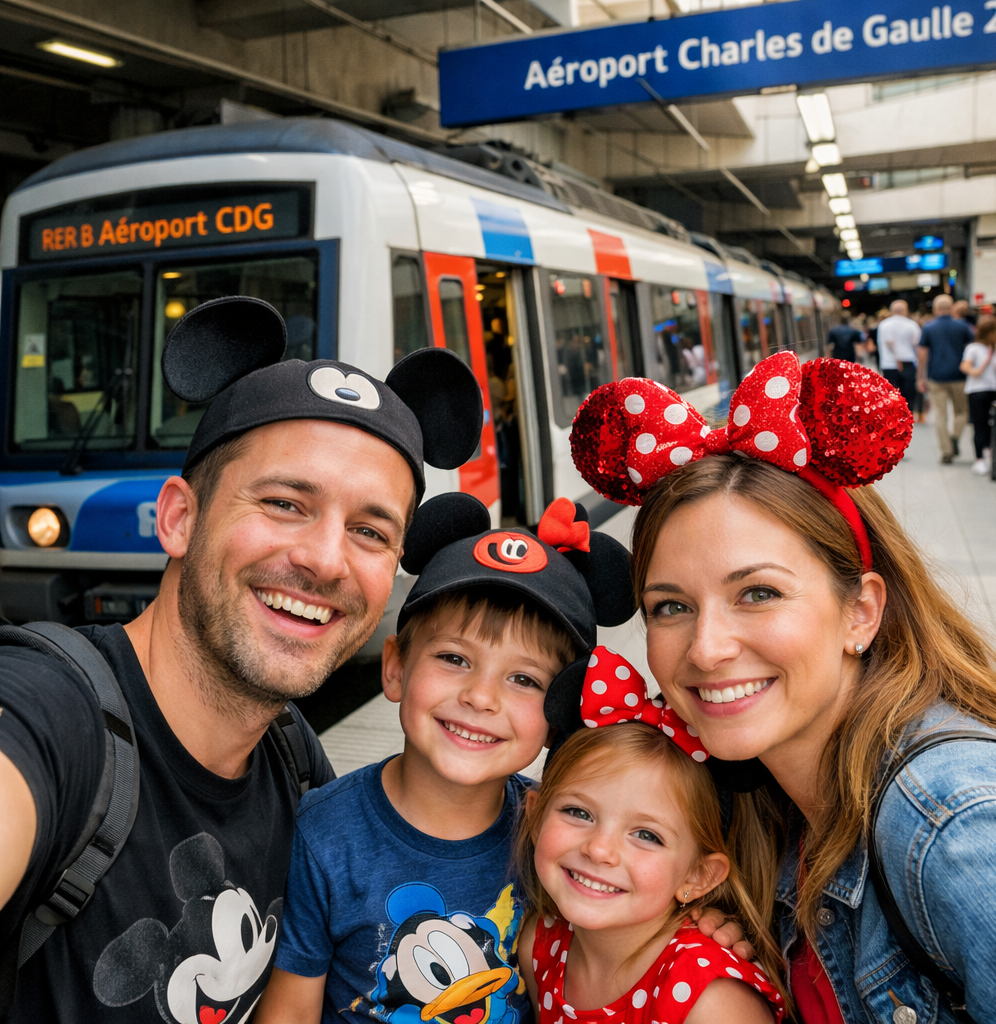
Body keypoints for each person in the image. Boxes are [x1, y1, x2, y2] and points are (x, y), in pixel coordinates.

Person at [0, 296, 484, 1022]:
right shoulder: (49, 718)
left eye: (370, 531)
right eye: (285, 503)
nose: (326, 560)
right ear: (179, 518)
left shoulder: (292, 759)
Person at [569, 352, 996, 1024]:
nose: (706, 648)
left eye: (758, 593)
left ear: (860, 612)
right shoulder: (760, 806)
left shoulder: (958, 832)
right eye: (671, 606)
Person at [253, 494, 636, 1023]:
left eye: (523, 679)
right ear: (395, 669)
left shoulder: (557, 832)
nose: (481, 697)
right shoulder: (324, 835)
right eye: (454, 658)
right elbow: (289, 1013)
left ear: (560, 713)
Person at [516, 650, 786, 1024]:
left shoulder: (713, 1004)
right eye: (579, 813)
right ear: (535, 817)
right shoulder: (539, 944)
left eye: (646, 835)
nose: (600, 849)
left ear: (698, 875)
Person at [917, 293, 974, 463]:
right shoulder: (963, 326)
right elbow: (972, 349)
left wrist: (920, 377)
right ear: (952, 308)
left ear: (935, 309)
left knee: (940, 415)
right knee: (962, 411)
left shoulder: (928, 328)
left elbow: (922, 355)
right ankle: (955, 437)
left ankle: (946, 451)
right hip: (959, 376)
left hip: (936, 376)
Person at [961, 315, 996, 475]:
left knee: (992, 424)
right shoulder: (973, 348)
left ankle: (989, 452)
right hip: (977, 390)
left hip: (994, 388)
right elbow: (965, 366)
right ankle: (979, 458)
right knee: (979, 424)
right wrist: (976, 371)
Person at [876, 299, 921, 412]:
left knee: (891, 396)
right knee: (908, 395)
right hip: (908, 363)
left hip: (888, 365)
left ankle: (893, 417)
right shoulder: (912, 325)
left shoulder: (884, 325)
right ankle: (908, 415)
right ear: (906, 310)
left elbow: (888, 342)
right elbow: (917, 345)